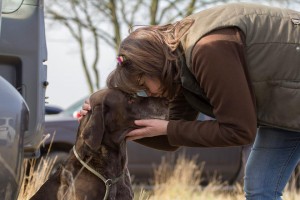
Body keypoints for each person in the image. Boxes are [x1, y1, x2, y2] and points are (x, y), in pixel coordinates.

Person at [80, 3, 300, 200]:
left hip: (292, 96)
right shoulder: (179, 68)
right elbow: (170, 138)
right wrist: (110, 124)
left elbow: (239, 130)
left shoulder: (207, 50)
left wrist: (167, 127)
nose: (150, 94)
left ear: (153, 66)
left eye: (145, 87)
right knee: (261, 189)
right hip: (286, 108)